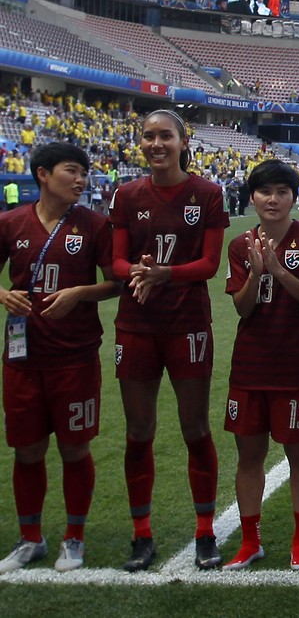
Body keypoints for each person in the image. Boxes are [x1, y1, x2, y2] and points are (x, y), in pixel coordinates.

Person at [110, 110, 229, 572]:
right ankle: (142, 535)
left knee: (195, 430)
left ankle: (204, 532)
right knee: (139, 433)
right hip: (136, 326)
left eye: (165, 136)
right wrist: (140, 274)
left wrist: (164, 275)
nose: (156, 143)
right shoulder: (126, 195)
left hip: (188, 325)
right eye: (148, 136)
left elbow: (209, 264)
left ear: (183, 141)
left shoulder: (208, 193)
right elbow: (117, 263)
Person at [0, 143, 116, 574]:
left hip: (75, 357)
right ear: (43, 174)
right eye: (73, 171)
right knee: (26, 450)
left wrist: (79, 294)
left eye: (85, 172)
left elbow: (116, 283)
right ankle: (30, 538)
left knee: (74, 448)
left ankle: (75, 537)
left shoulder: (95, 225)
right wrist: (3, 295)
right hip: (22, 358)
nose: (82, 179)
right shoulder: (11, 222)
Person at [221, 160, 299, 571]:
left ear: (293, 197)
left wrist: (280, 270)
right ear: (252, 197)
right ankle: (250, 541)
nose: (273, 199)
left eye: (282, 191)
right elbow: (243, 308)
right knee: (249, 454)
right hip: (249, 367)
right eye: (265, 191)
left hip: (296, 366)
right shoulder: (239, 244)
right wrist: (255, 272)